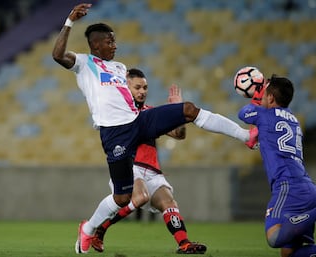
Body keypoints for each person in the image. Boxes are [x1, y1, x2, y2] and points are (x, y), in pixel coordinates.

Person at [52, 3, 258, 254]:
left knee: (188, 109)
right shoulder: (84, 64)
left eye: (115, 41)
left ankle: (246, 135)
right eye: (110, 41)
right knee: (122, 199)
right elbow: (57, 55)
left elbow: (146, 111)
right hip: (115, 133)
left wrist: (165, 112)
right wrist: (69, 22)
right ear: (96, 45)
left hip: (138, 121)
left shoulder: (120, 68)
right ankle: (88, 229)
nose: (115, 45)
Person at [90, 68, 205, 254]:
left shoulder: (150, 113)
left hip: (152, 172)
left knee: (169, 203)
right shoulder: (116, 115)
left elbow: (179, 134)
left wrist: (179, 110)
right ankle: (100, 229)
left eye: (145, 87)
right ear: (126, 88)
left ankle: (184, 243)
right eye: (137, 87)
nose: (142, 91)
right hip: (130, 167)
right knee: (140, 197)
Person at [238, 74, 316, 257]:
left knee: (274, 237)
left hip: (287, 186)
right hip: (306, 187)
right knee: (288, 253)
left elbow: (243, 113)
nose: (262, 96)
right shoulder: (294, 120)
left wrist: (256, 97)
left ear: (271, 98)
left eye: (265, 94)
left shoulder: (264, 114)